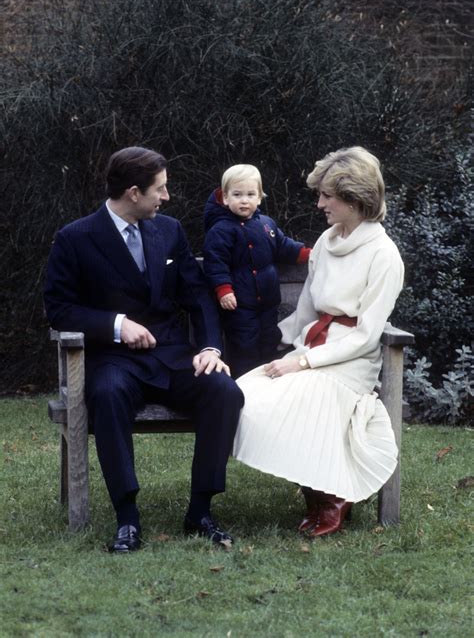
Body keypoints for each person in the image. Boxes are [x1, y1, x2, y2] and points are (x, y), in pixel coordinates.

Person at [44, 146, 244, 552]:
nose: (166, 197)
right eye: (160, 189)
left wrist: (210, 348)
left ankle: (201, 510)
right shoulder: (75, 237)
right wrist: (117, 325)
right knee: (107, 394)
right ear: (133, 192)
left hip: (172, 355)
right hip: (114, 360)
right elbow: (60, 309)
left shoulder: (168, 231)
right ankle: (127, 518)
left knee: (224, 390)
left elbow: (199, 296)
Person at [233, 146, 404, 537]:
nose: (320, 203)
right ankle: (318, 487)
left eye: (327, 195)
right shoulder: (326, 242)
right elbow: (307, 314)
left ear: (354, 199)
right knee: (244, 395)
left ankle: (332, 496)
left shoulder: (384, 255)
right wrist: (265, 340)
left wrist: (304, 363)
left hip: (351, 362)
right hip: (312, 350)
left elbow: (365, 336)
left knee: (300, 394)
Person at [203, 164, 311, 377]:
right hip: (239, 306)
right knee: (245, 347)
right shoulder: (220, 230)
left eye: (251, 194)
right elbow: (215, 263)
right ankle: (244, 385)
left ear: (260, 198)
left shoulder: (266, 224)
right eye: (237, 194)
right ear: (225, 198)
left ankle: (267, 385)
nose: (244, 200)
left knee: (269, 341)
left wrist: (306, 254)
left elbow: (283, 246)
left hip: (268, 304)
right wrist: (223, 289)